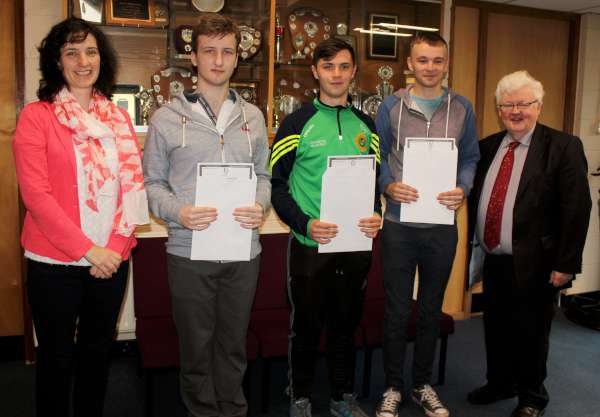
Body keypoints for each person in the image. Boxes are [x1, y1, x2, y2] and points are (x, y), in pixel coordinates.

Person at [12, 17, 149, 417]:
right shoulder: (37, 117)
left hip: (111, 259)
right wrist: (89, 250)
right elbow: (37, 197)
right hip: (55, 263)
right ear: (57, 62)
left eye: (90, 51)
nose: (83, 60)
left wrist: (117, 248)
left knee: (96, 356)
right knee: (55, 360)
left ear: (101, 59)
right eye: (72, 52)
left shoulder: (118, 118)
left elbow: (133, 186)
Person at [142, 13, 271, 417]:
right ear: (194, 58)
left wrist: (260, 204)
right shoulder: (165, 117)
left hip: (242, 251)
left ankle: (233, 410)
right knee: (196, 347)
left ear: (237, 59)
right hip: (188, 250)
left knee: (233, 344)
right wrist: (179, 211)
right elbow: (152, 185)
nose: (218, 60)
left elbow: (265, 175)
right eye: (209, 52)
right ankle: (201, 411)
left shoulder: (253, 117)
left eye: (227, 52)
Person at [466, 70, 591, 417]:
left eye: (524, 103)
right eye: (508, 104)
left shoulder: (563, 147)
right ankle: (500, 383)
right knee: (496, 326)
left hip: (539, 262)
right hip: (495, 258)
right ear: (498, 108)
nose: (516, 111)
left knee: (532, 332)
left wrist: (566, 264)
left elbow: (577, 208)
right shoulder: (488, 147)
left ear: (539, 106)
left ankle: (533, 396)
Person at [270, 37, 382, 417]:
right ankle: (299, 396)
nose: (336, 74)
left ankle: (341, 396)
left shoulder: (367, 126)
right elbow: (277, 187)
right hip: (309, 244)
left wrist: (375, 214)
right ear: (316, 71)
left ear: (353, 72)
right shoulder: (296, 122)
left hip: (354, 246)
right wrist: (305, 223)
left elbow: (374, 183)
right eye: (328, 66)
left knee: (345, 325)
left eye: (344, 66)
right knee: (305, 327)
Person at [374, 32, 480, 417]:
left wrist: (463, 187)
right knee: (398, 310)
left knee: (432, 309)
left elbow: (470, 156)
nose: (430, 68)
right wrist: (388, 184)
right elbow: (379, 155)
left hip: (441, 224)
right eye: (423, 60)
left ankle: (422, 384)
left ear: (446, 64)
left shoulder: (462, 108)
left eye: (437, 60)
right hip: (399, 224)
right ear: (409, 64)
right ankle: (392, 387)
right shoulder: (390, 106)